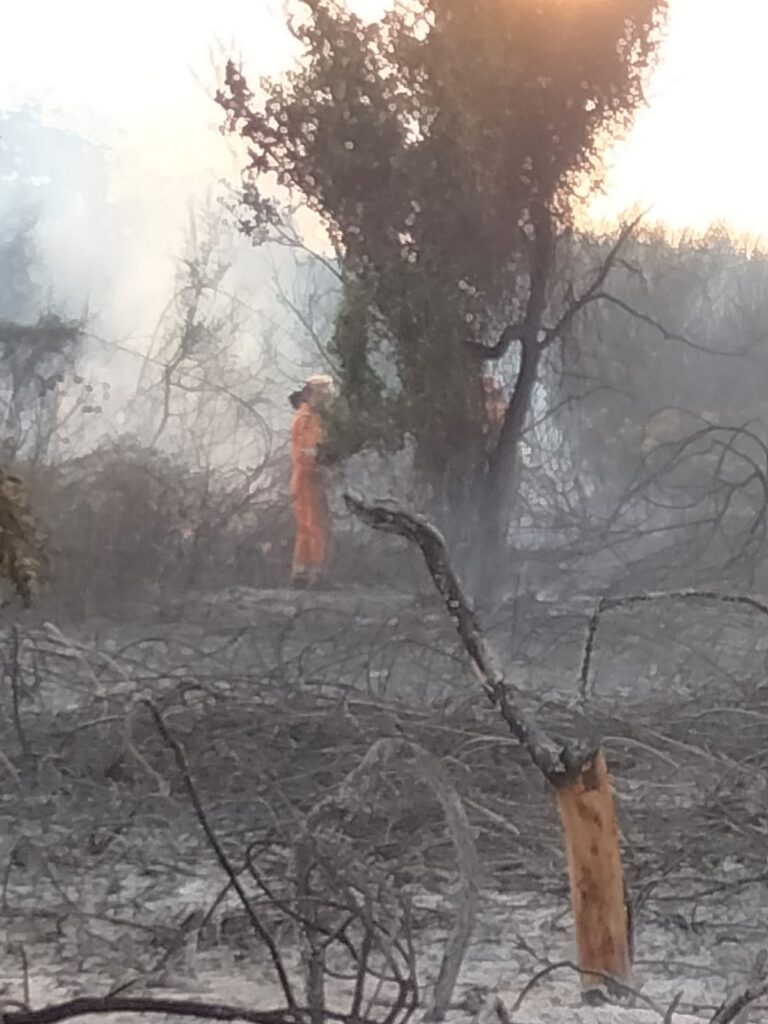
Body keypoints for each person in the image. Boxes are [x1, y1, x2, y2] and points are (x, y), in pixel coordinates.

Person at [289, 375, 335, 587]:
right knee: (314, 527)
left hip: (309, 479)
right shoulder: (307, 418)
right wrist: (321, 467)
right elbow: (305, 453)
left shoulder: (310, 417)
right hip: (308, 479)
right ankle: (315, 573)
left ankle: (303, 573)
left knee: (309, 527)